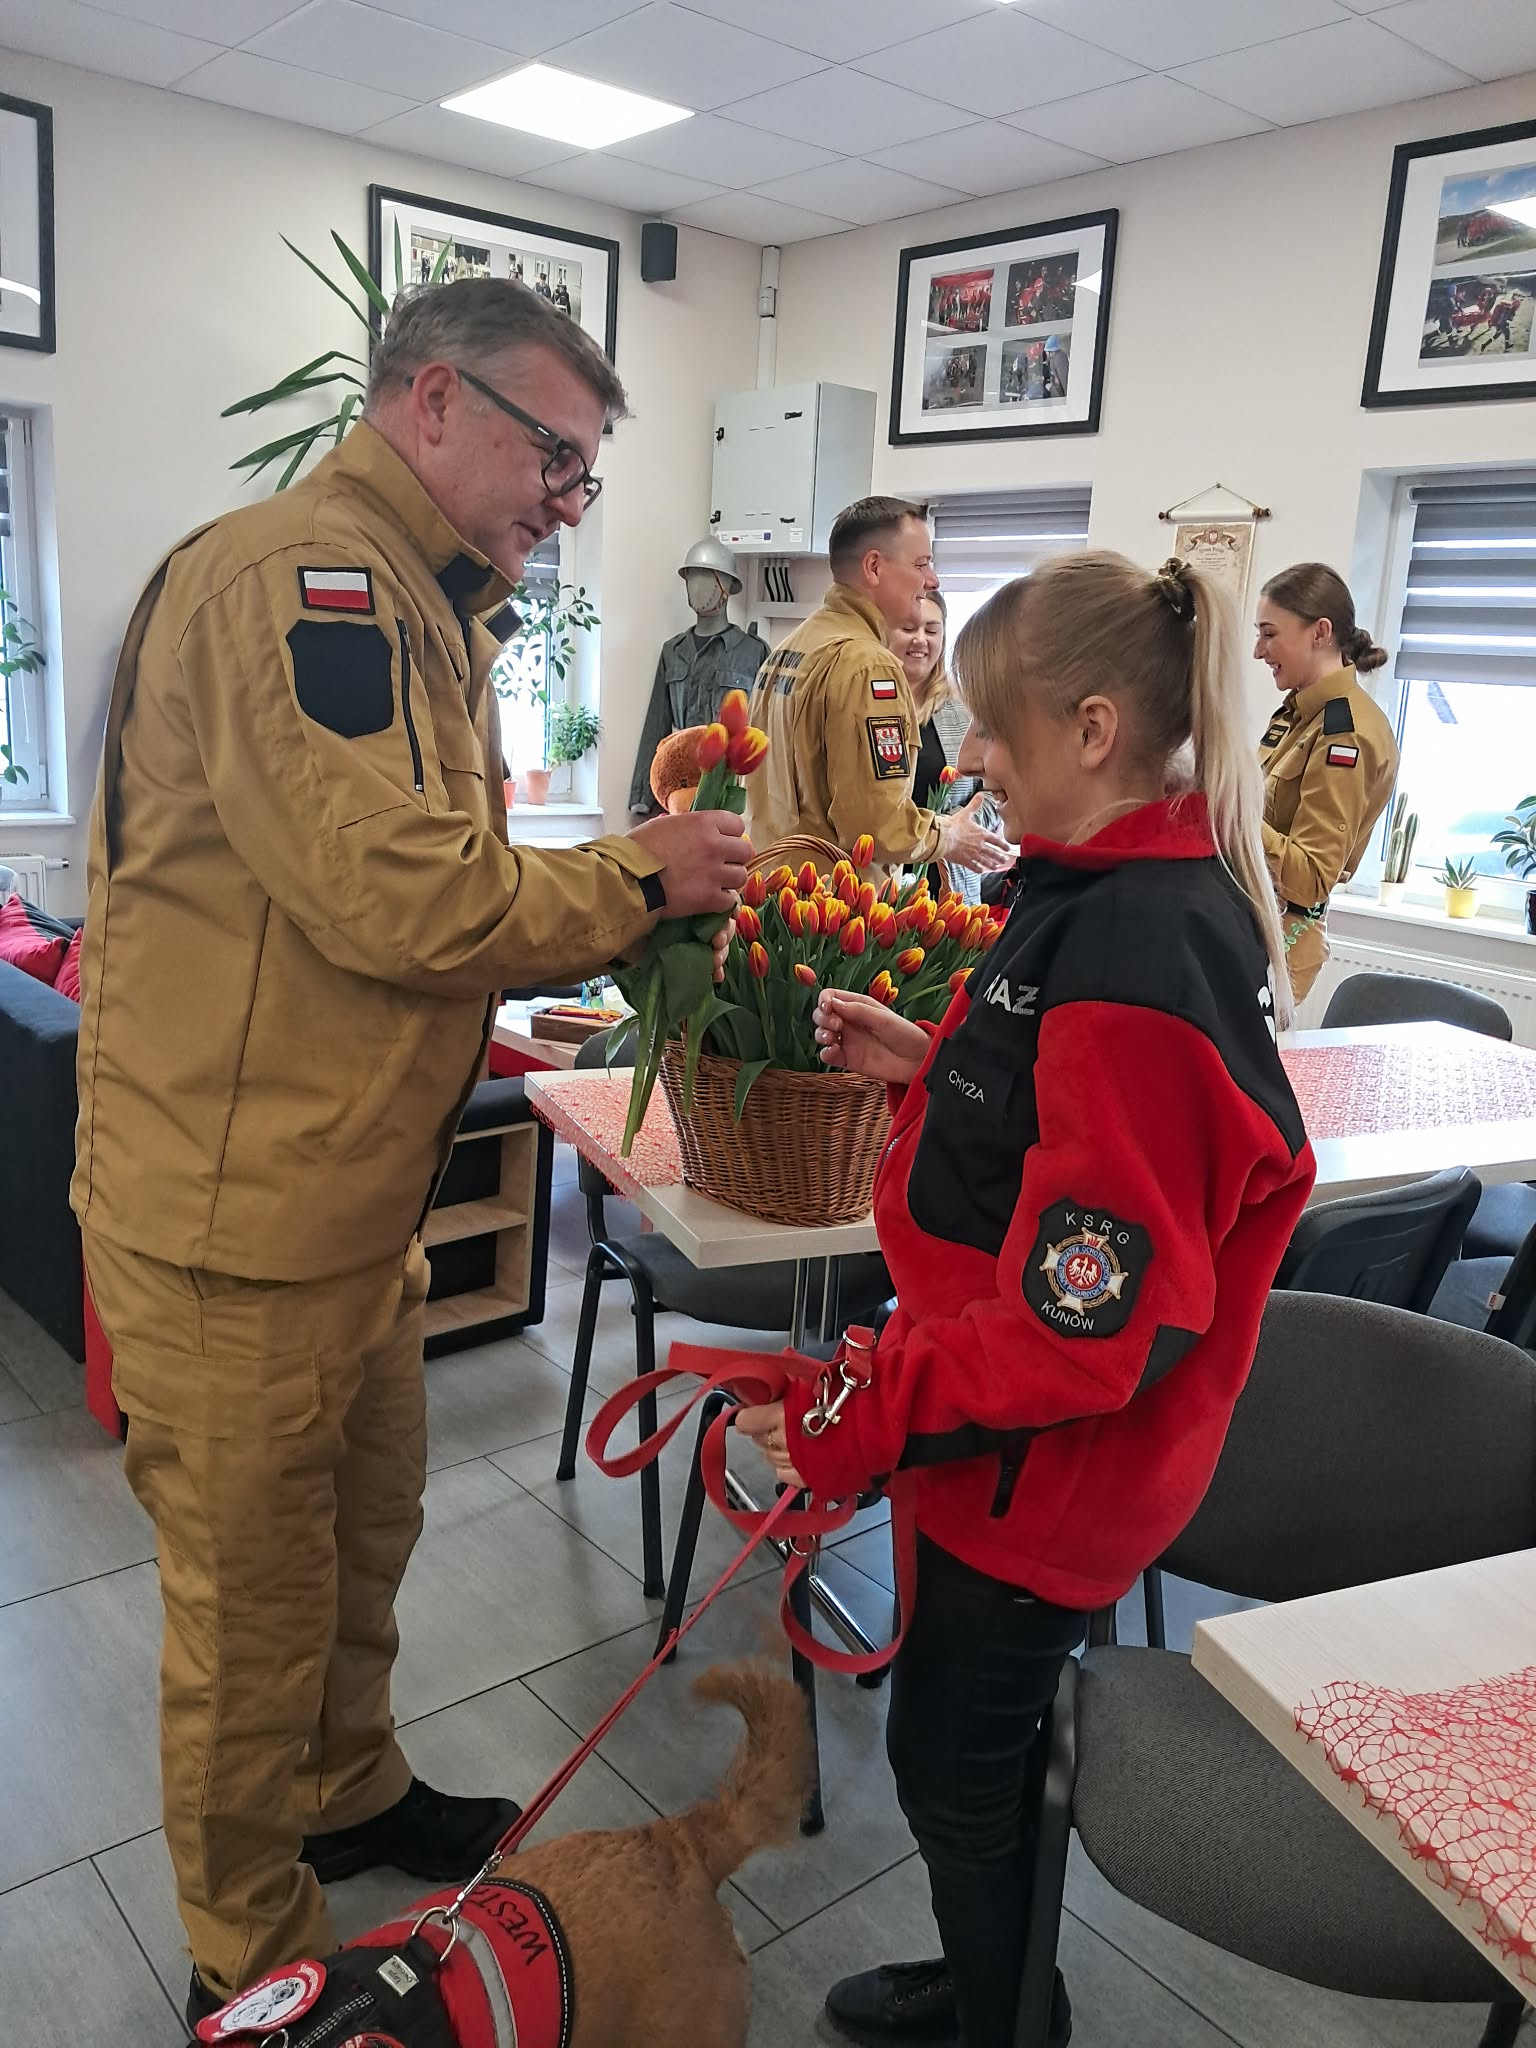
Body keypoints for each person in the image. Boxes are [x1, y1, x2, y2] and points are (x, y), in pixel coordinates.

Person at [71, 276, 748, 2027]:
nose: (567, 501)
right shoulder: (302, 583)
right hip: (233, 1219)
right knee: (249, 1609)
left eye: (586, 472)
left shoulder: (423, 603)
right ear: (432, 402)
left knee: (362, 1536)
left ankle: (348, 1788)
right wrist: (635, 876)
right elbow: (397, 895)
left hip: (341, 1198)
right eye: (554, 455)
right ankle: (252, 1952)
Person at [737, 552, 1316, 2048]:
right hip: (1003, 1455)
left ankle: (1008, 2016)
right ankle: (992, 1975)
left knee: (956, 1770)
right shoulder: (1109, 893)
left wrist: (864, 1413)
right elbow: (1064, 1135)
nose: (973, 755)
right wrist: (935, 1065)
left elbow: (1081, 1329)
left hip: (1043, 1473)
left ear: (1094, 729)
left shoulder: (1140, 953)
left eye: (993, 725)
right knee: (956, 1763)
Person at [746, 496, 1011, 879]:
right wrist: (949, 836)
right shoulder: (868, 665)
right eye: (921, 564)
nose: (932, 580)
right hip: (832, 901)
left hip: (771, 892)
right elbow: (875, 825)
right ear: (874, 567)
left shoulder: (789, 648)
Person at [1254, 561, 1399, 1002]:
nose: (1259, 651)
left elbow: (1312, 878)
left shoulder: (1345, 733)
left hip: (1281, 938)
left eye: (1269, 634)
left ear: (1319, 632)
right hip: (1250, 919)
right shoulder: (1298, 713)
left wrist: (1228, 809)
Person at [628, 538, 770, 815]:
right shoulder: (673, 651)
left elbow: (766, 731)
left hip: (730, 790)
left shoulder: (753, 652)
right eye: (691, 577)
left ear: (726, 587)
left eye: (707, 577)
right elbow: (656, 725)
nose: (697, 586)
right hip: (681, 788)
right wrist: (642, 797)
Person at [889, 590, 1001, 901]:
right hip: (876, 882)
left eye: (931, 630)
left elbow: (996, 790)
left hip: (949, 883)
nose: (920, 640)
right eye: (908, 628)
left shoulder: (967, 709)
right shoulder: (866, 705)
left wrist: (955, 829)